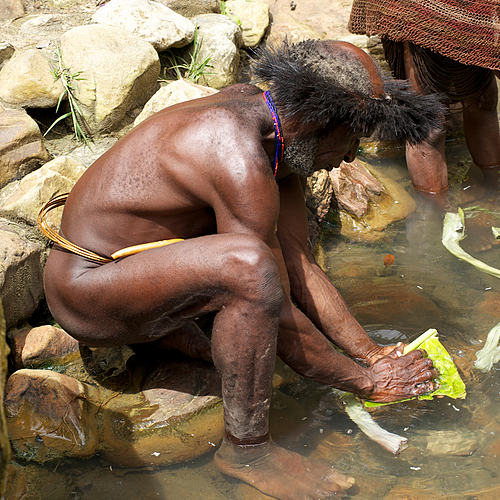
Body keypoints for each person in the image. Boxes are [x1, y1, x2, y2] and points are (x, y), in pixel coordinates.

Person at [40, 40, 441, 499]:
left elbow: (297, 260)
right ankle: (247, 451)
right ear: (316, 121)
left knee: (256, 267)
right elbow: (268, 294)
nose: (351, 157)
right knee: (248, 268)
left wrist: (371, 354)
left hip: (137, 277)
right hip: (87, 295)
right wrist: (366, 383)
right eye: (351, 138)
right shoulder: (235, 153)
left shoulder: (275, 132)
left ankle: (170, 337)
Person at [349, 0, 500, 251]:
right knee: (429, 125)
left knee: (483, 101)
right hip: (422, 8)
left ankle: (493, 187)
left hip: (479, 11)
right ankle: (442, 214)